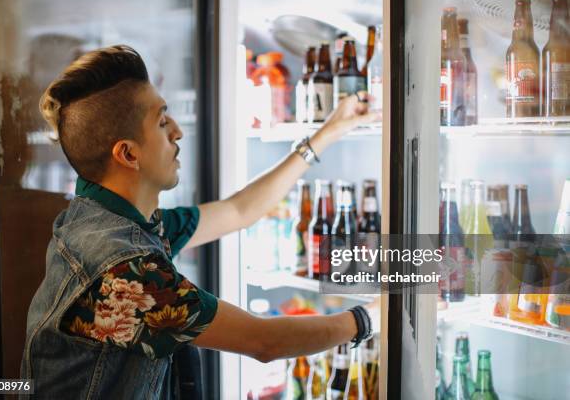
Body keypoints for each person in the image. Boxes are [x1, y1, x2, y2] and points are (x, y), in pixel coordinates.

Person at [20, 45, 379, 398]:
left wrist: (329, 131)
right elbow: (265, 341)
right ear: (128, 154)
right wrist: (373, 317)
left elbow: (239, 211)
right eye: (162, 122)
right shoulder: (123, 273)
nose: (178, 131)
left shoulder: (109, 220)